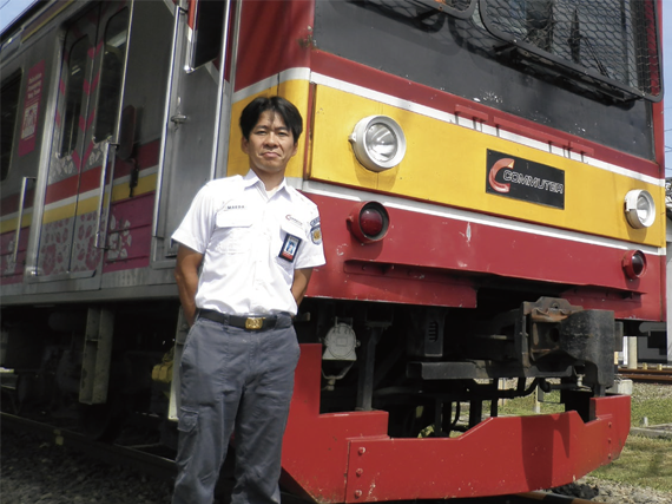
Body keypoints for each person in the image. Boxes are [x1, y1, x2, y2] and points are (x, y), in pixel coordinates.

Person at [171, 96, 325, 504]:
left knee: (261, 468)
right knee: (199, 458)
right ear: (245, 142)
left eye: (282, 133)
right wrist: (206, 326)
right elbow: (186, 266)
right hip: (216, 338)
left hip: (276, 345)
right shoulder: (216, 194)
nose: (271, 141)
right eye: (262, 131)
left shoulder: (306, 211)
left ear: (294, 145)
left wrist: (275, 316)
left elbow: (303, 273)